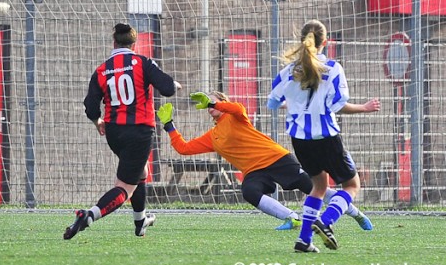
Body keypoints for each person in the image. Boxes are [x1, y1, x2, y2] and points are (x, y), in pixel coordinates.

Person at [156, 91, 372, 233]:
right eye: (207, 102)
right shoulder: (213, 136)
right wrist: (169, 125)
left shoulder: (235, 116)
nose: (209, 104)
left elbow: (238, 108)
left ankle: (356, 213)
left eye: (212, 100)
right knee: (249, 191)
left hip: (277, 158)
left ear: (221, 102)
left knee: (313, 188)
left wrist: (215, 102)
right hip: (255, 171)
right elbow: (183, 148)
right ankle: (292, 218)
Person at [267, 19, 380, 252]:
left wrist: (296, 104)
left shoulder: (288, 71)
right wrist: (364, 107)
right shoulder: (332, 68)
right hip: (326, 137)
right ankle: (325, 221)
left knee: (318, 187)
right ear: (324, 42)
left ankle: (304, 240)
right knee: (351, 184)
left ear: (301, 42)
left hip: (300, 139)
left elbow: (273, 102)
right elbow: (337, 105)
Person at [63, 23, 181, 240]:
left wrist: (98, 120)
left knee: (141, 172)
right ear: (134, 44)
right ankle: (88, 215)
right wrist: (174, 84)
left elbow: (90, 106)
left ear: (114, 42)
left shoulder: (101, 69)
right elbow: (167, 89)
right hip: (139, 132)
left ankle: (140, 221)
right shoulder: (142, 62)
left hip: (114, 133)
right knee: (125, 187)